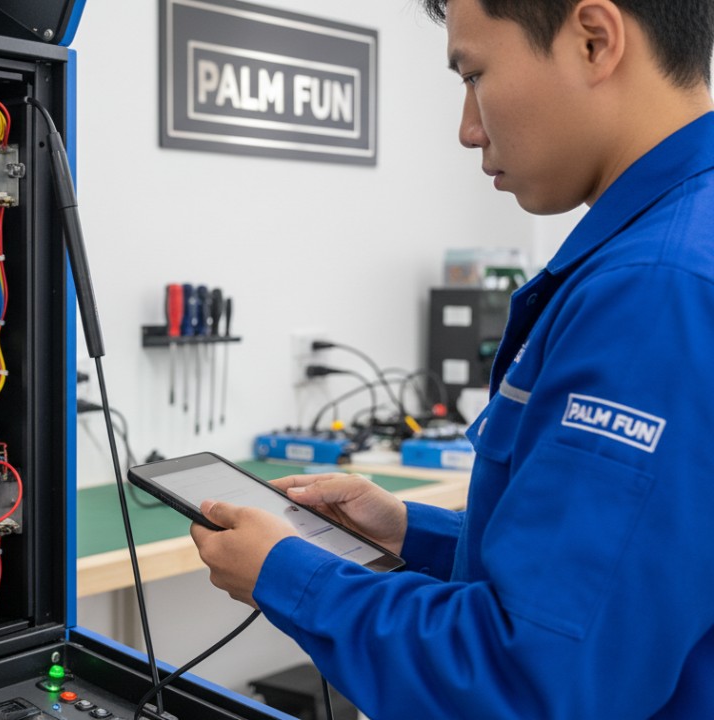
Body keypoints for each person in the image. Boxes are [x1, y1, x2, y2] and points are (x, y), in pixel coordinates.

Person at [189, 0, 714, 717]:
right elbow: (632, 573)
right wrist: (411, 532)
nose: (468, 129)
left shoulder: (654, 291)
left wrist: (288, 575)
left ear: (595, 41)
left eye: (474, 74)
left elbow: (530, 682)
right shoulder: (688, 239)